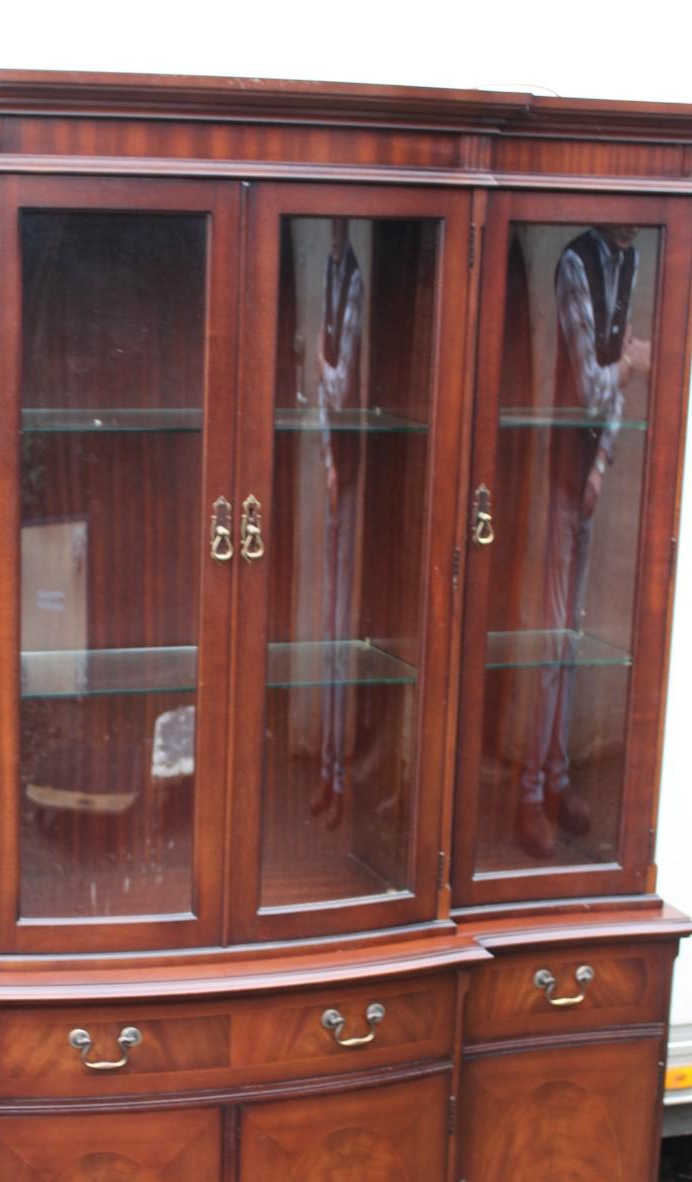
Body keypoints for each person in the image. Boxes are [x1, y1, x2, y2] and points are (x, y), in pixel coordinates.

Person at [517, 225, 650, 860]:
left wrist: (602, 465)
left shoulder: (632, 256)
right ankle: (528, 795)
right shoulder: (575, 261)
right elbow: (597, 383)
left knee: (574, 637)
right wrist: (630, 363)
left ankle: (559, 780)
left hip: (588, 471)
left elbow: (611, 389)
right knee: (550, 640)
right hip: (555, 471)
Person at [310, 220, 365, 831]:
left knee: (342, 637)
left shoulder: (352, 278)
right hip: (335, 463)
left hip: (356, 474)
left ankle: (342, 778)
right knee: (328, 637)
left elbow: (340, 379)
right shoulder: (333, 271)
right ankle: (330, 773)